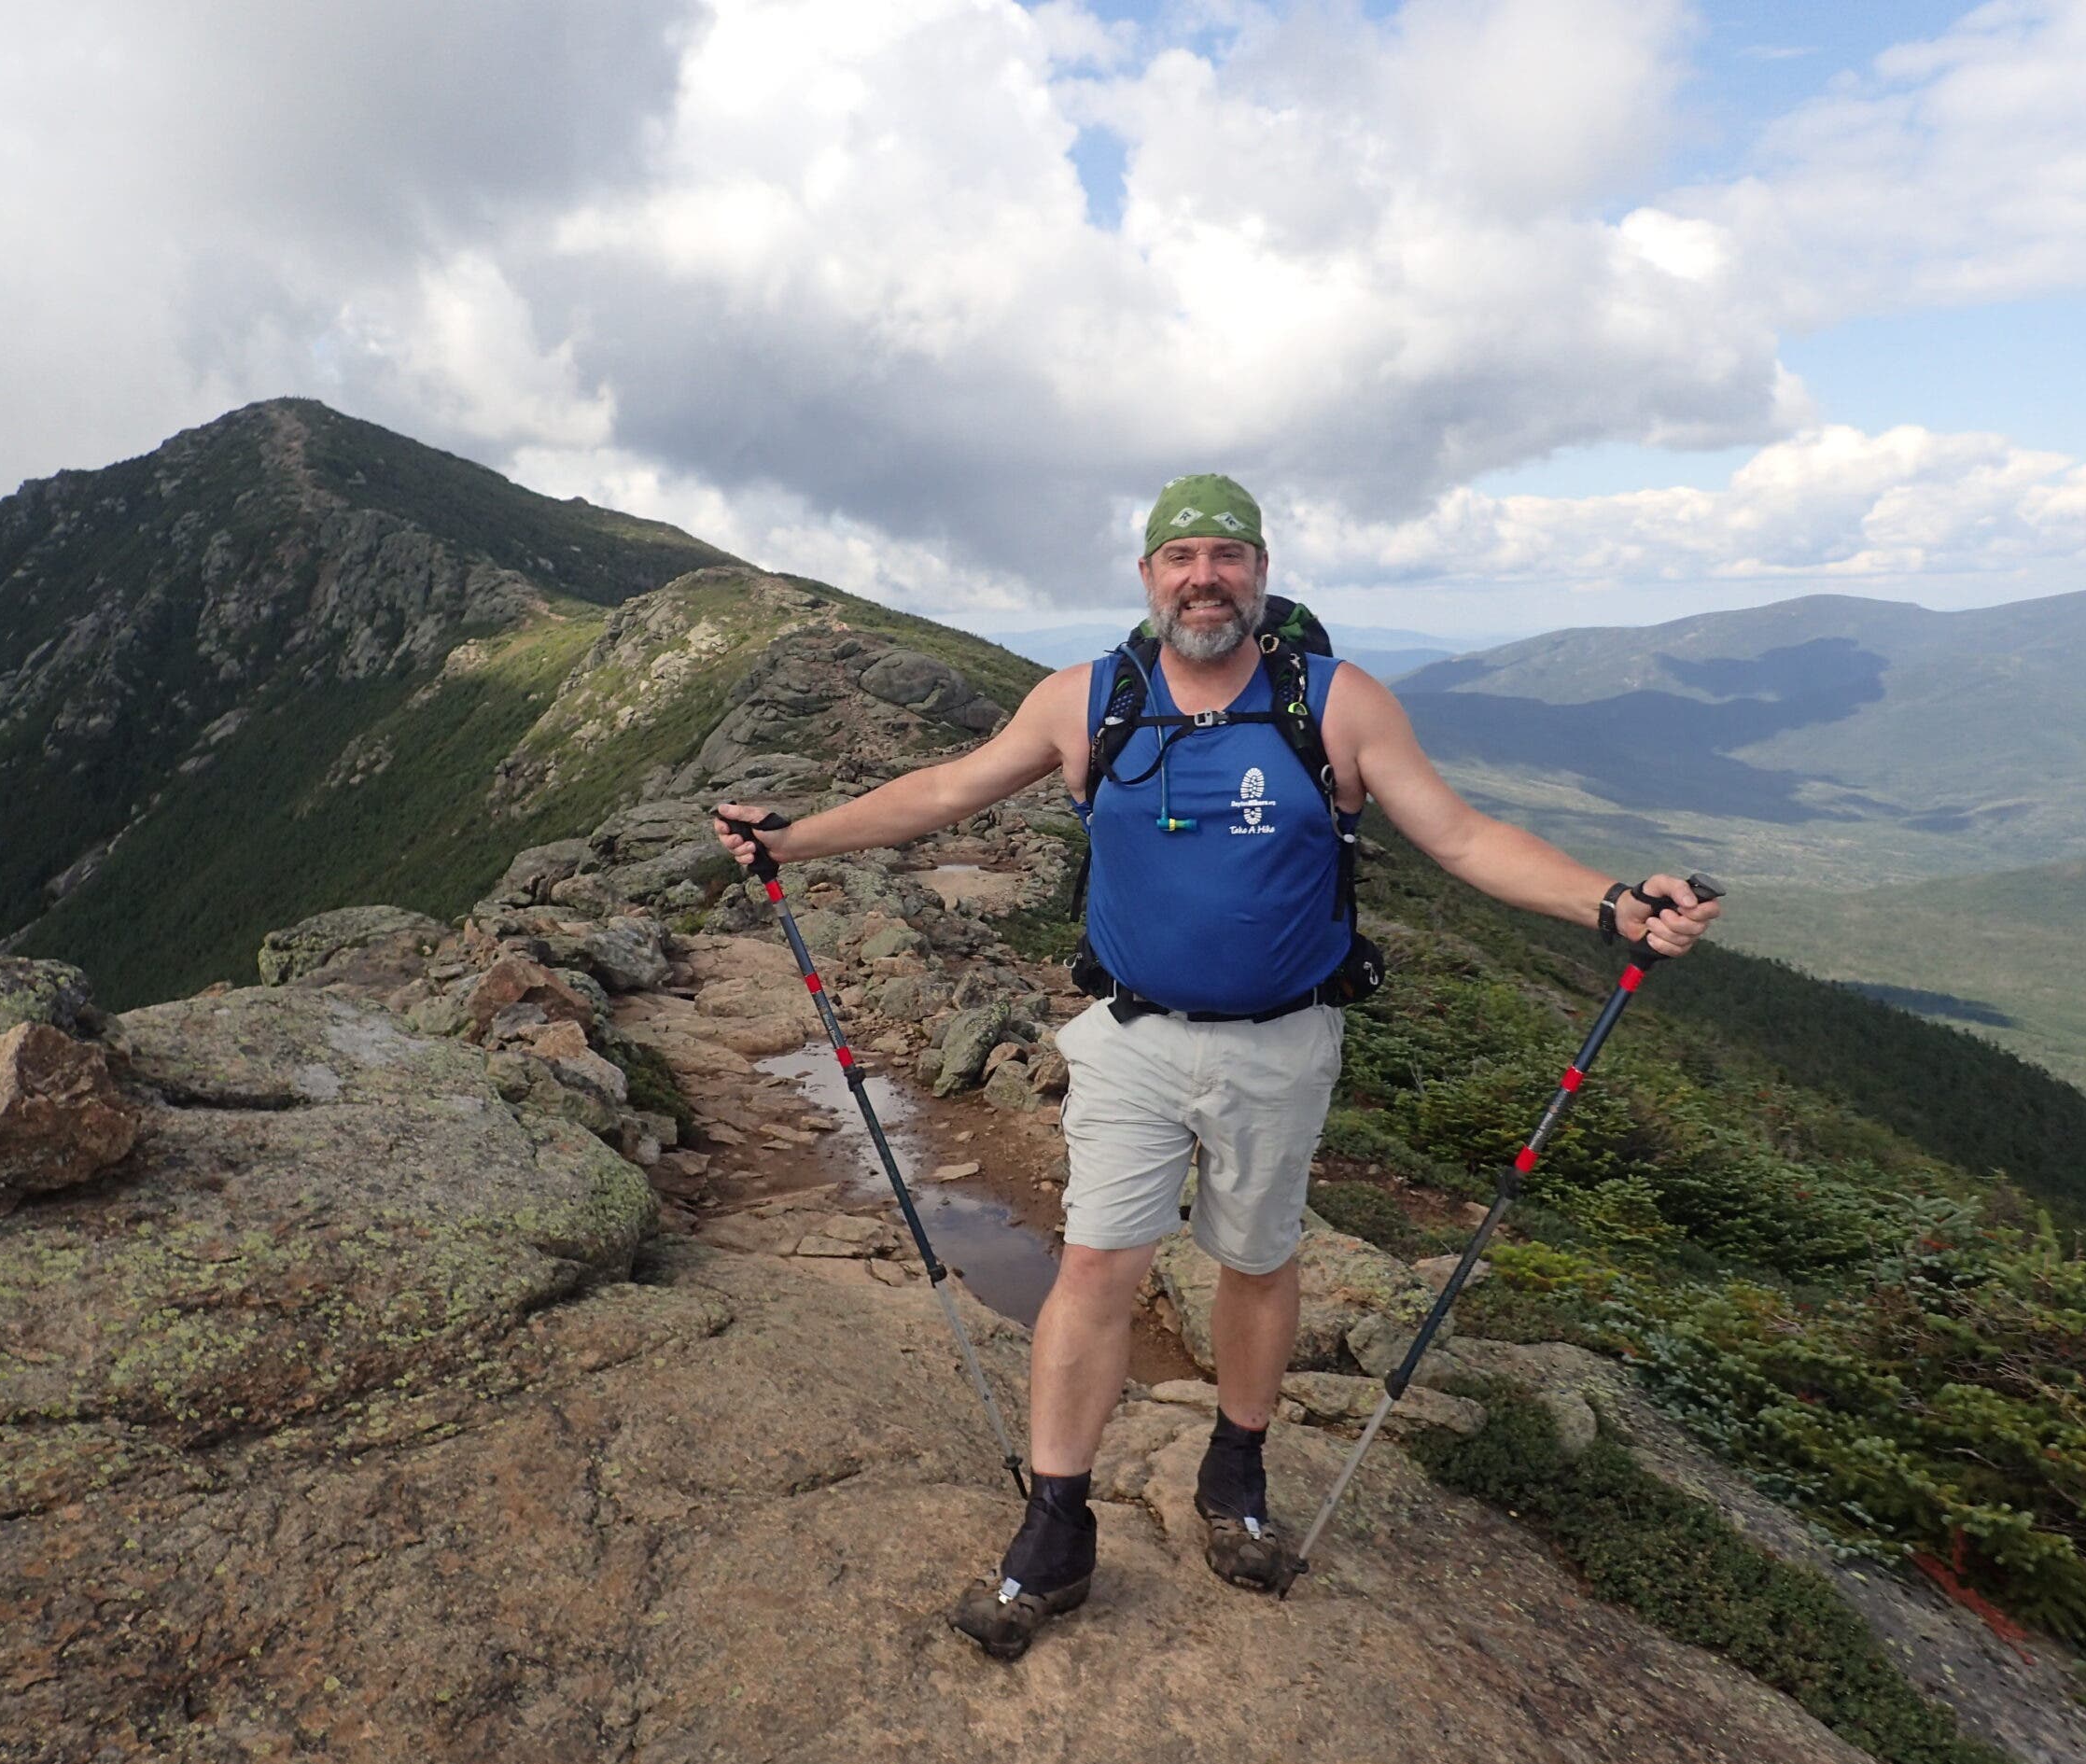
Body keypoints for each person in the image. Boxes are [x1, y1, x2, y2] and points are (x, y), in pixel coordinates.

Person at [712, 473, 1720, 1659]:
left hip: (1282, 1043)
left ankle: (1234, 1468)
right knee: (1097, 1263)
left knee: (1256, 1257)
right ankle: (1055, 1525)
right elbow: (942, 793)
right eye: (1181, 556)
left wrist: (1607, 904)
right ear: (1147, 578)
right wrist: (794, 838)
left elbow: (1458, 835)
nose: (1204, 577)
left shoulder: (1333, 702)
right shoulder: (1086, 699)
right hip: (1132, 1040)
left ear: (1261, 572)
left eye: (1227, 556)